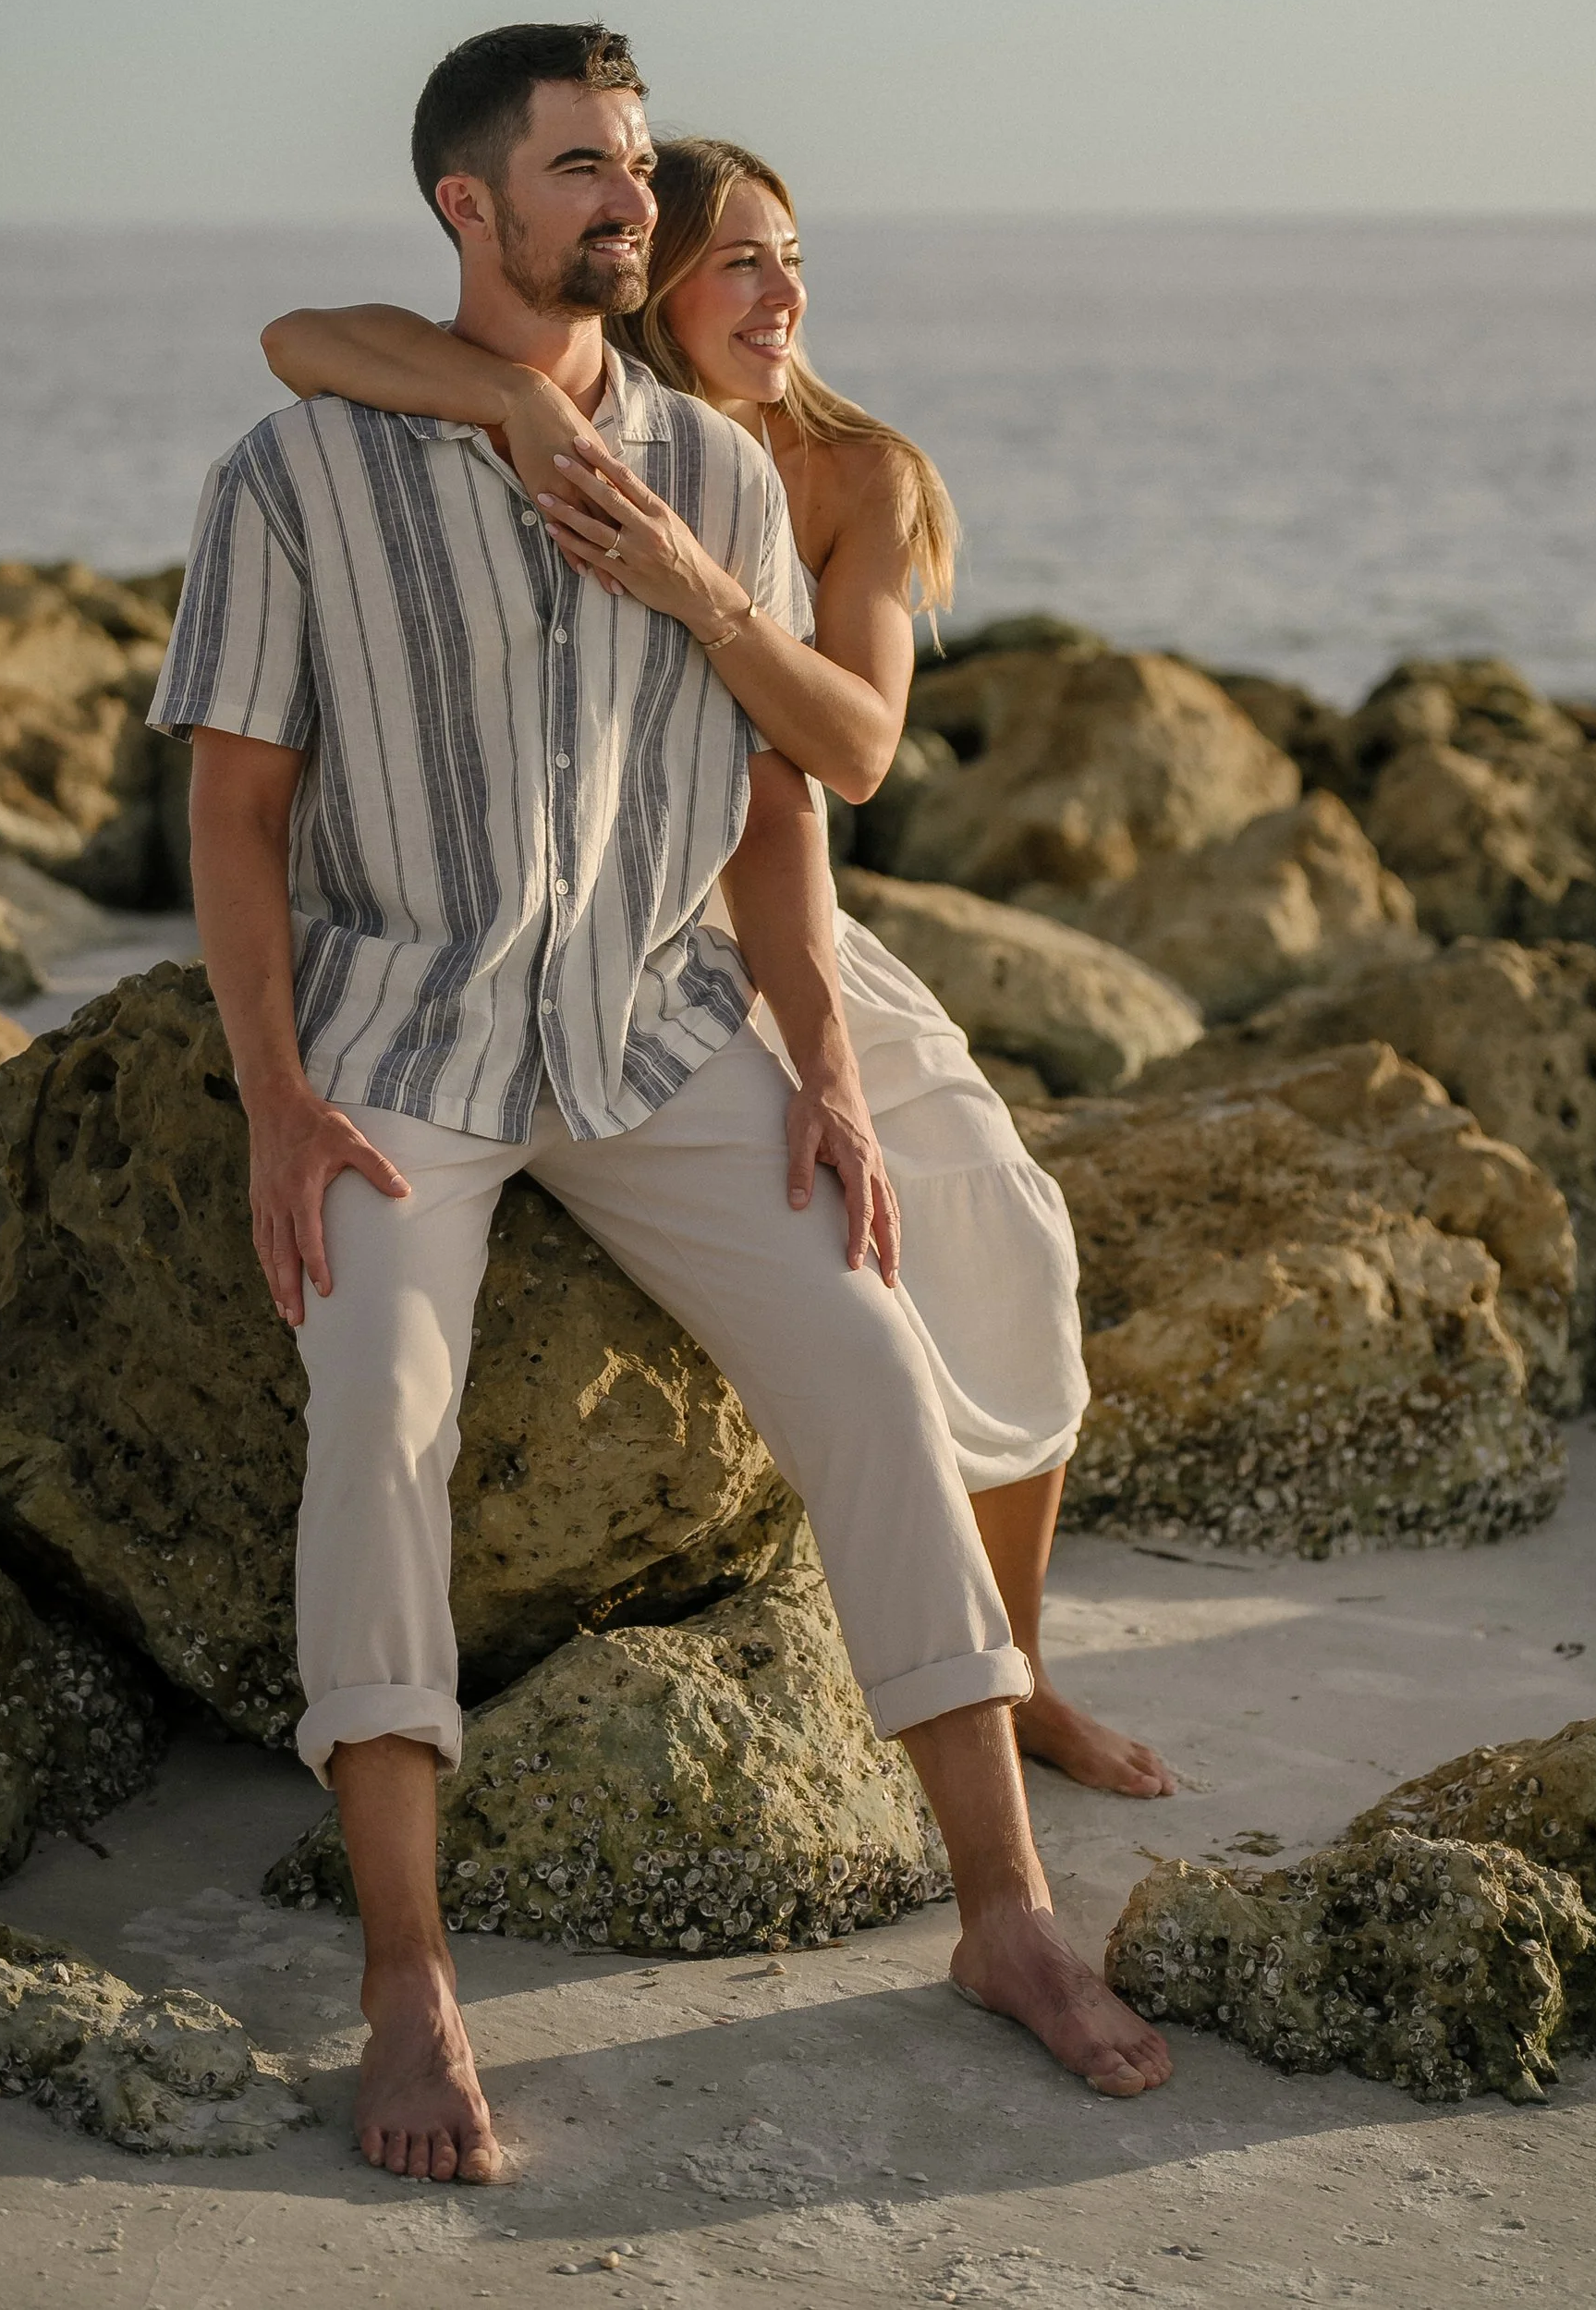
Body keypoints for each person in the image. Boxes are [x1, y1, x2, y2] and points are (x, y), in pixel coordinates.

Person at [155, 23, 1170, 2189]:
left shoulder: (722, 481)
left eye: (637, 168)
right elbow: (234, 811)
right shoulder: (296, 473)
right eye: (587, 174)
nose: (633, 204)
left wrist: (814, 1059)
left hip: (645, 1025)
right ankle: (406, 1975)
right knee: (380, 1418)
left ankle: (1003, 1911)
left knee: (877, 1360)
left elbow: (767, 801)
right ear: (470, 207)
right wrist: (268, 1100)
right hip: (398, 1045)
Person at [264, 139, 1175, 1799]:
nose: (783, 291)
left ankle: (1018, 1670)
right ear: (660, 278)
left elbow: (857, 746)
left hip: (765, 916)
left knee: (1001, 1223)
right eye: (741, 260)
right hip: (542, 931)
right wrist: (523, 411)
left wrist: (698, 591)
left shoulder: (841, 471)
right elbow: (303, 340)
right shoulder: (558, 404)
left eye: (794, 256)